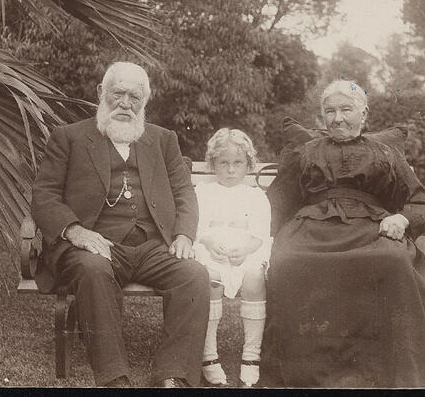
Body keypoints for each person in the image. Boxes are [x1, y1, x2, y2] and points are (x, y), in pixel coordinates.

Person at [260, 80, 425, 388]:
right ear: (322, 117)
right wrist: (256, 238)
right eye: (330, 111)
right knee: (288, 261)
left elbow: (420, 202)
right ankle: (304, 373)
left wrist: (403, 220)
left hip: (372, 229)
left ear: (364, 115)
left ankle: (387, 371)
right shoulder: (305, 152)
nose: (338, 118)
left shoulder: (386, 153)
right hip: (311, 230)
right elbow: (276, 202)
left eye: (346, 109)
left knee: (391, 260)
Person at [31, 62, 210, 388]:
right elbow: (44, 196)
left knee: (193, 275)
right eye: (118, 94)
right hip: (91, 245)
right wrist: (75, 231)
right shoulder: (69, 138)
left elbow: (185, 193)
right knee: (94, 270)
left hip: (151, 246)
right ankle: (115, 378)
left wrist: (184, 233)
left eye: (135, 97)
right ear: (101, 93)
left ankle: (174, 374)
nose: (126, 104)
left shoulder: (162, 140)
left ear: (145, 101)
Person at [192, 128, 272, 387]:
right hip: (212, 251)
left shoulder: (255, 195)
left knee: (255, 278)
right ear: (213, 163)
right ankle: (209, 355)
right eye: (223, 163)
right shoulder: (203, 192)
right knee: (210, 277)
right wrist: (211, 244)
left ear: (248, 164)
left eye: (237, 163)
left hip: (246, 251)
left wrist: (246, 250)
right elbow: (198, 229)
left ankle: (251, 355)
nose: (230, 169)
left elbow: (260, 233)